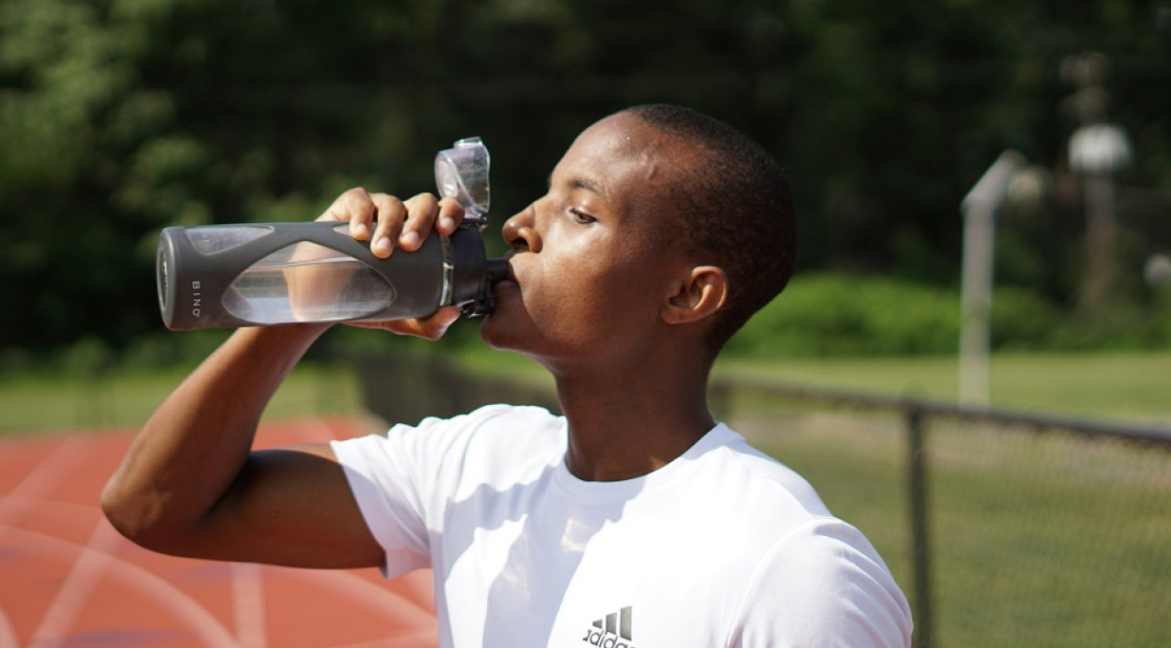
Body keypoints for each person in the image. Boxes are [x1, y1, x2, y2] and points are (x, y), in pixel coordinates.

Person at [102, 104, 912, 647]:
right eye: (541, 197)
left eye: (580, 213)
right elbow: (156, 508)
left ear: (686, 294)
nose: (520, 225)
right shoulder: (480, 463)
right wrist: (314, 290)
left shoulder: (791, 566)